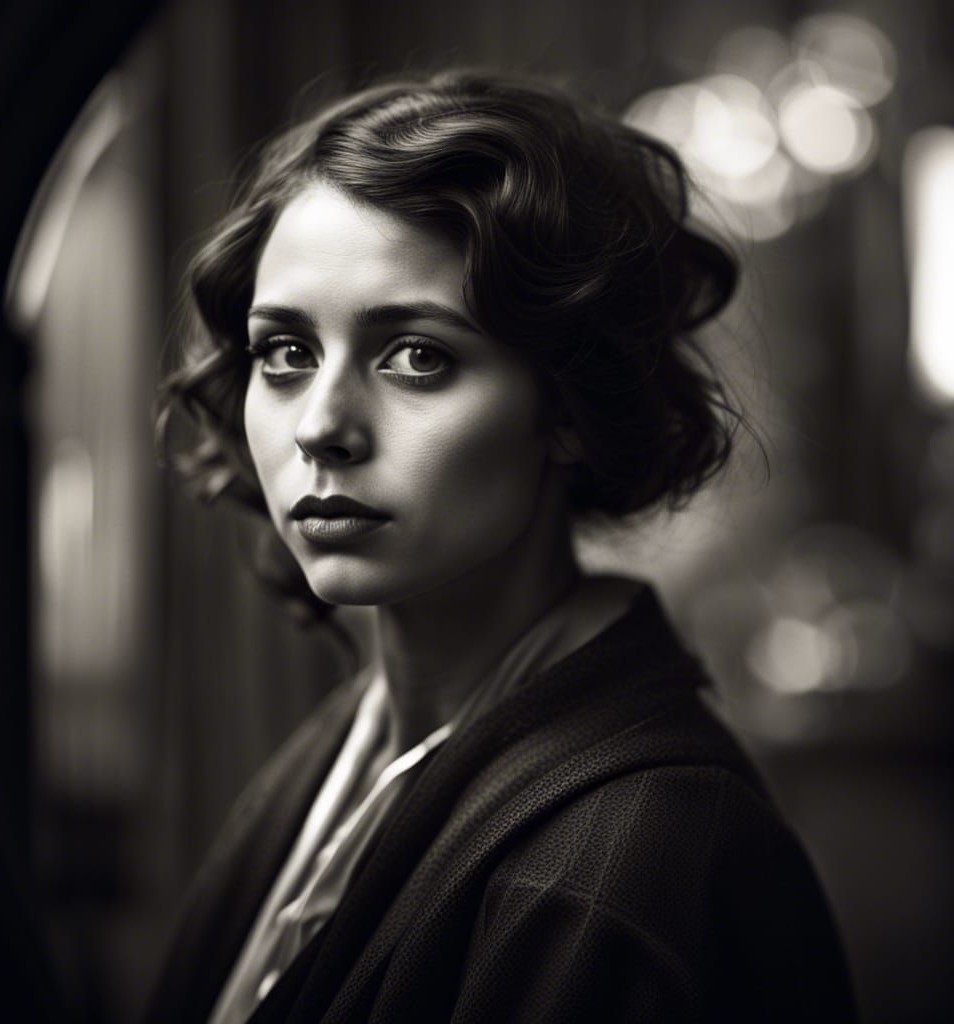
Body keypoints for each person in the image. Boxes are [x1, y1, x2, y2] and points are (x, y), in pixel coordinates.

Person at [146, 70, 856, 1023]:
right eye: (286, 353)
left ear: (568, 405)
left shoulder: (619, 869)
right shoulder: (352, 751)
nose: (321, 425)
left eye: (418, 357)